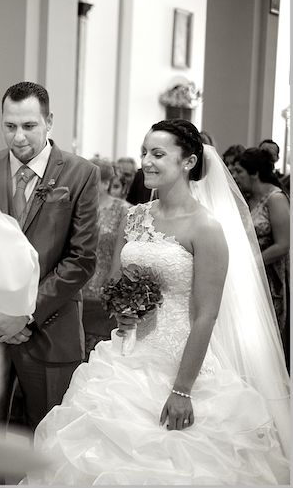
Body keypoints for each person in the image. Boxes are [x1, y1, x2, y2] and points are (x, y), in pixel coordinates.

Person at [27, 119, 289, 484]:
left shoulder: (207, 228)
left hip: (180, 361)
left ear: (188, 162)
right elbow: (116, 282)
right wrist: (123, 309)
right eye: (144, 153)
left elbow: (206, 314)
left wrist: (182, 389)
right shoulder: (134, 217)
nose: (146, 161)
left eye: (158, 154)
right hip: (125, 357)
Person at [0, 81, 99, 436]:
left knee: (50, 441)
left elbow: (81, 260)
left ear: (49, 122)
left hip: (50, 328)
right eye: (9, 126)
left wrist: (24, 313)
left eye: (29, 126)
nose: (18, 138)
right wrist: (0, 312)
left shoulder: (80, 174)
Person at [233, 147, 290, 370]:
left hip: (270, 276)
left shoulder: (275, 198)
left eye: (239, 171)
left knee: (268, 332)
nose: (235, 176)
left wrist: (250, 264)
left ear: (254, 173)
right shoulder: (247, 198)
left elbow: (284, 244)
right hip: (247, 276)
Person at [82, 158, 131, 359]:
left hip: (105, 290)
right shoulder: (79, 207)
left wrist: (112, 291)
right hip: (77, 288)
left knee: (99, 352)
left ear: (106, 183)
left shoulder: (123, 210)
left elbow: (125, 254)